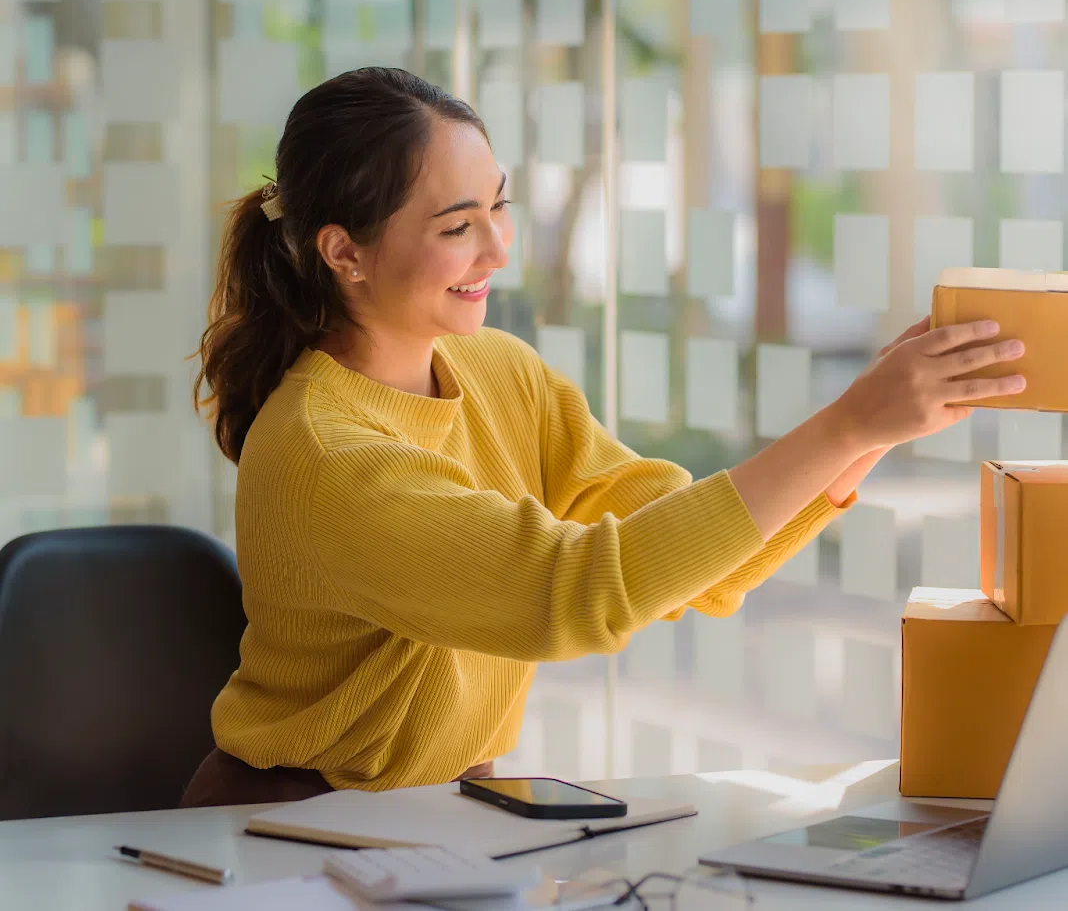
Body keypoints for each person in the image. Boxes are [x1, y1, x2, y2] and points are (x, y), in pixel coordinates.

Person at [181, 67, 1026, 807]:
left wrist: (868, 433)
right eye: (456, 226)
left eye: (499, 207)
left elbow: (697, 562)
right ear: (345, 253)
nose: (498, 249)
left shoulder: (501, 374)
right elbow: (576, 594)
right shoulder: (327, 453)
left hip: (430, 816)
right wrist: (847, 420)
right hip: (291, 832)